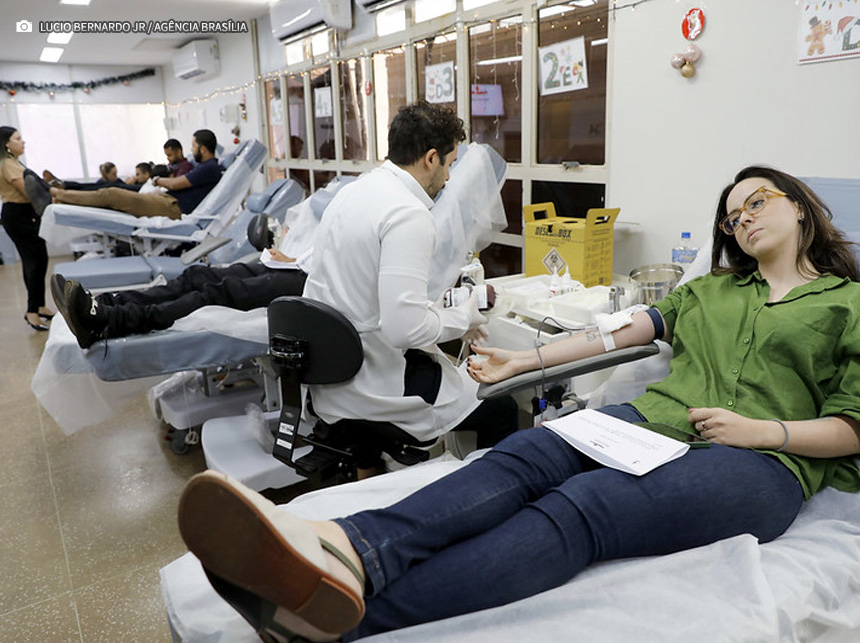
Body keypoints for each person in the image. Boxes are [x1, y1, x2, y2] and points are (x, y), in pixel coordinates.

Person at [177, 166, 860, 642]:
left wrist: (763, 431)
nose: (742, 218)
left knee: (587, 507)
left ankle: (346, 616)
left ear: (800, 205)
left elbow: (852, 428)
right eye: (732, 214)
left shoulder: (847, 303)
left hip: (760, 464)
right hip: (652, 421)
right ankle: (352, 547)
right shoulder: (706, 291)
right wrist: (522, 359)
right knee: (530, 449)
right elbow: (613, 334)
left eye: (758, 202)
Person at [302, 100, 518, 452]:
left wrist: (440, 315)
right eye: (450, 164)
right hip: (373, 386)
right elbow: (404, 329)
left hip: (331, 380)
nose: (449, 177)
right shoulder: (409, 213)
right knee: (500, 405)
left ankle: (368, 467)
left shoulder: (354, 191)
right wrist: (461, 317)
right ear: (431, 158)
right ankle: (487, 497)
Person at [42, 130, 221, 219]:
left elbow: (175, 184)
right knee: (110, 195)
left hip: (173, 208)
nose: (192, 149)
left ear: (203, 148)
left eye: (194, 146)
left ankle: (58, 194)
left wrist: (156, 179)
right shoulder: (204, 166)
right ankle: (60, 197)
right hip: (167, 201)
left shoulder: (210, 168)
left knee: (111, 194)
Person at [0, 126, 55, 331]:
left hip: (23, 214)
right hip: (18, 215)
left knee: (38, 259)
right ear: (7, 144)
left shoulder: (12, 162)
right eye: (18, 138)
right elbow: (28, 192)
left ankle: (39, 306)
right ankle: (32, 312)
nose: (23, 142)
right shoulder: (7, 164)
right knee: (34, 261)